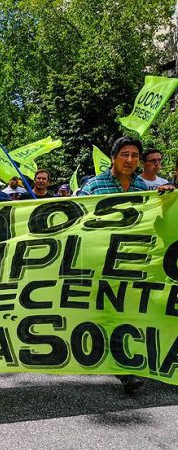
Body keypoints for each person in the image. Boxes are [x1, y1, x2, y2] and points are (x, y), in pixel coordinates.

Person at [78, 136, 176, 394]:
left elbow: (158, 221)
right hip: (101, 264)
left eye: (134, 155)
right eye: (124, 154)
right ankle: (125, 371)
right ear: (113, 157)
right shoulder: (94, 186)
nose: (130, 160)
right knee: (112, 314)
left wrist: (167, 201)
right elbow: (76, 219)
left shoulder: (143, 186)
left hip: (135, 262)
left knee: (140, 312)